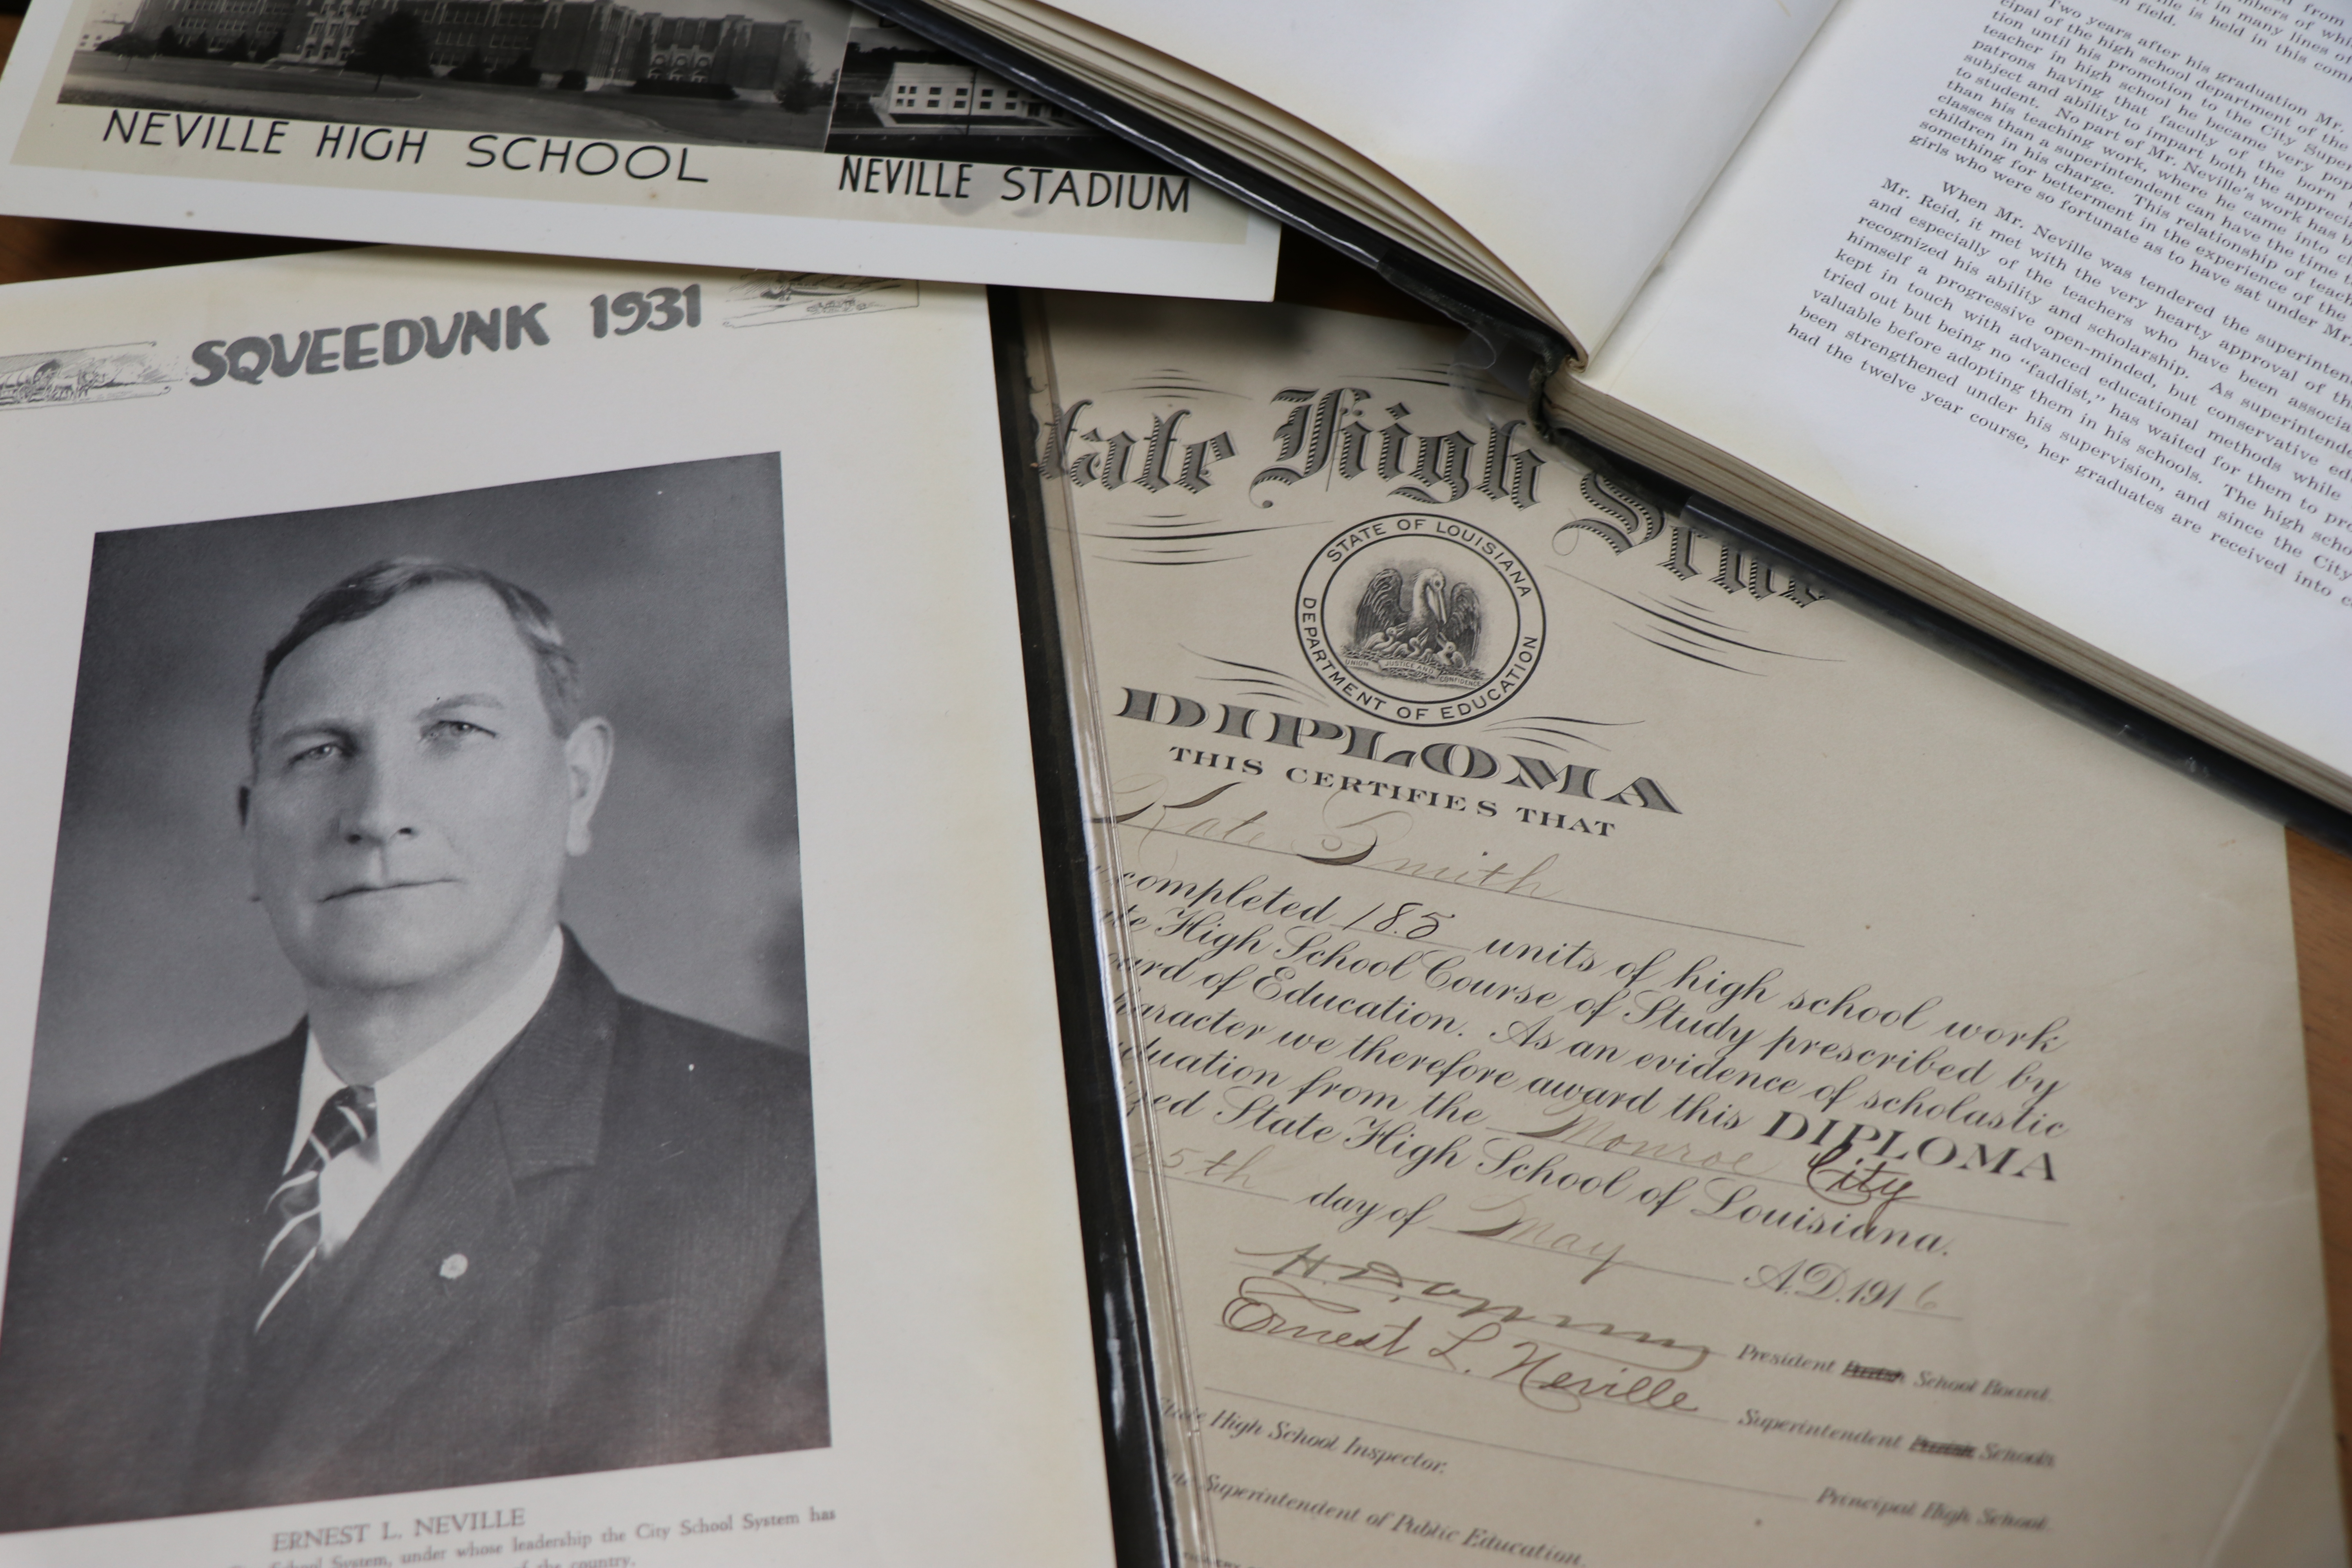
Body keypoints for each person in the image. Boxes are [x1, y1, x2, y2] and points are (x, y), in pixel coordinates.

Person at [0, 559, 826, 1531]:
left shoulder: (791, 1157)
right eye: (319, 752)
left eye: (455, 733)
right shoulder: (112, 1175)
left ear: (577, 786)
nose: (377, 812)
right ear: (250, 828)